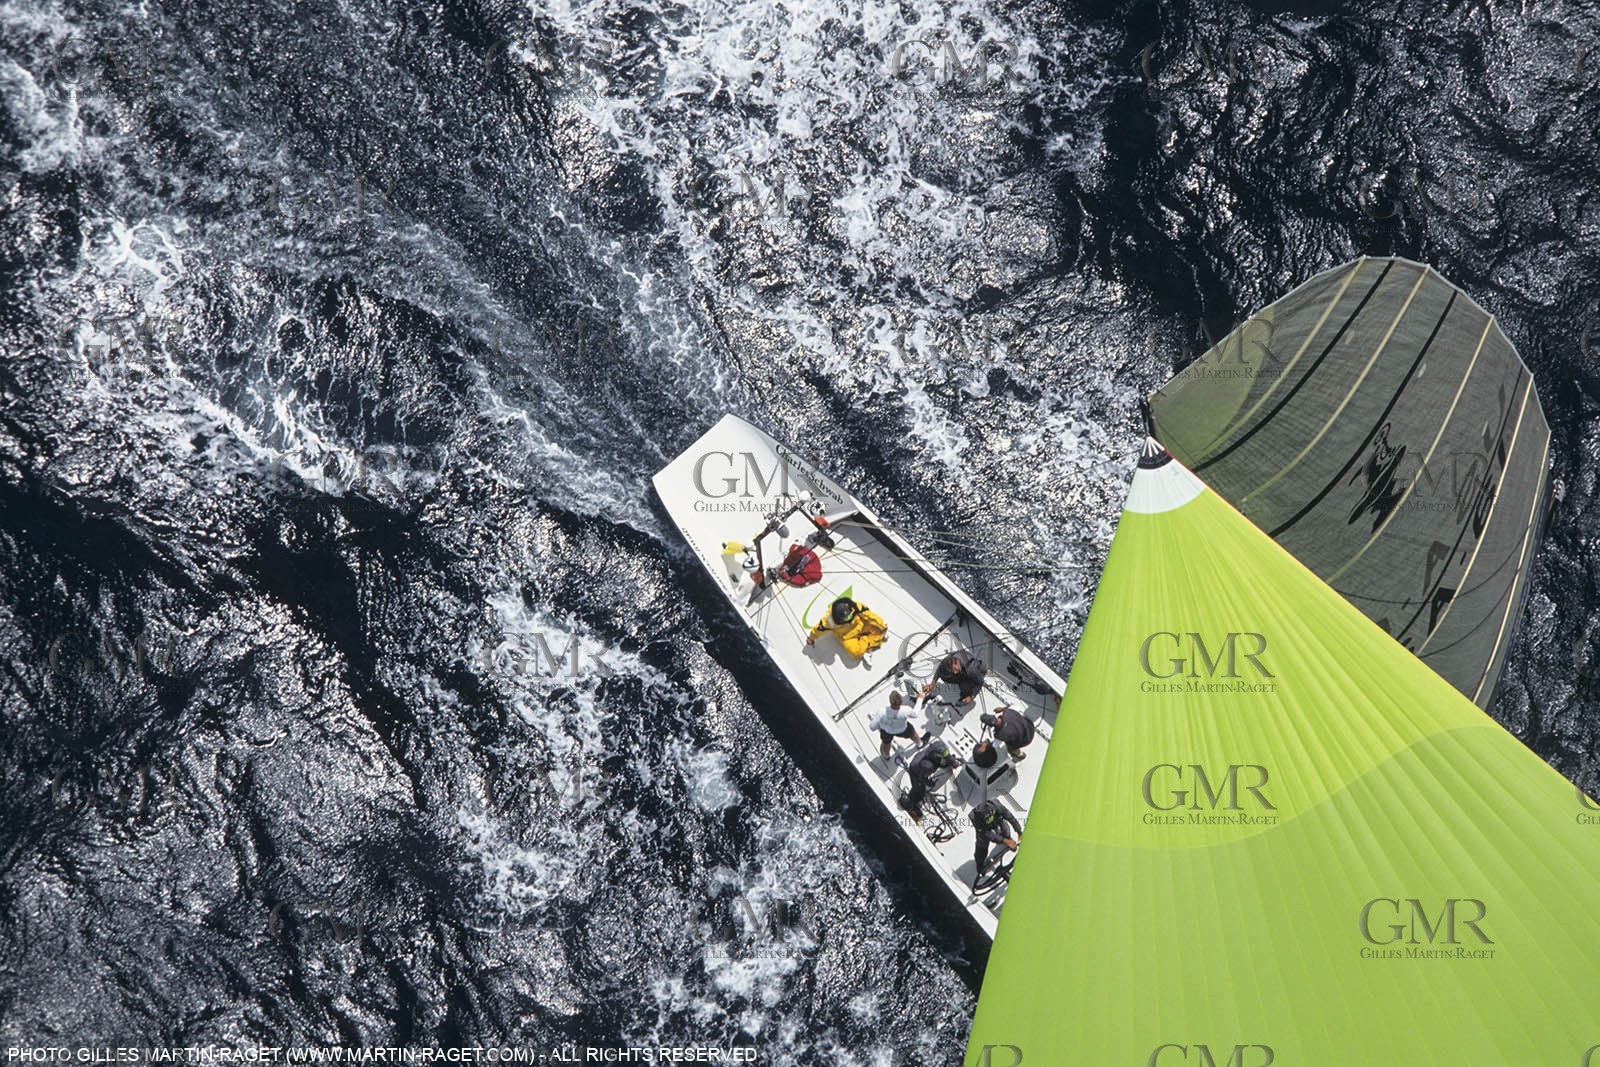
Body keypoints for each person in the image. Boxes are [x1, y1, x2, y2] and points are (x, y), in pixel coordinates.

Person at [806, 596, 888, 659]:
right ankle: (873, 640)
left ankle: (869, 643)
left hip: (860, 626)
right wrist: (811, 638)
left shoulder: (855, 606)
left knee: (880, 625)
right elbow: (817, 630)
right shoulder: (829, 622)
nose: (848, 618)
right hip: (847, 636)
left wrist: (879, 624)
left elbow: (869, 615)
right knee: (855, 653)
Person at [900, 738, 961, 821]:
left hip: (924, 766)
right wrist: (930, 783)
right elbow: (923, 778)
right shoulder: (928, 766)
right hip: (916, 772)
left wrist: (952, 761)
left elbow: (945, 755)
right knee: (919, 789)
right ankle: (910, 803)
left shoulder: (937, 746)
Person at [969, 799, 1021, 883]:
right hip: (983, 829)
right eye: (987, 819)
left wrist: (1019, 831)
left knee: (1005, 829)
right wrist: (1005, 841)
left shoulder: (997, 806)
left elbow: (1009, 817)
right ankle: (980, 866)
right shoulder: (976, 818)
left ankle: (1007, 838)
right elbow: (988, 835)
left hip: (997, 818)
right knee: (982, 845)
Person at [920, 648, 987, 704]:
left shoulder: (972, 670)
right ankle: (961, 679)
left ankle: (966, 695)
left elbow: (980, 682)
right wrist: (932, 684)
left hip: (977, 672)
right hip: (963, 669)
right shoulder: (949, 659)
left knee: (965, 685)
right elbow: (940, 669)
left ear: (957, 662)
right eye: (952, 671)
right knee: (944, 675)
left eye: (955, 669)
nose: (954, 672)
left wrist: (971, 696)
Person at [868, 690, 920, 758]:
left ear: (890, 701)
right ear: (901, 701)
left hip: (887, 731)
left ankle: (886, 755)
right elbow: (915, 714)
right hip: (903, 729)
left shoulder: (882, 712)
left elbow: (872, 727)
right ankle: (919, 743)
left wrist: (880, 723)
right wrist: (920, 699)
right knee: (913, 733)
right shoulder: (906, 710)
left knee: (886, 743)